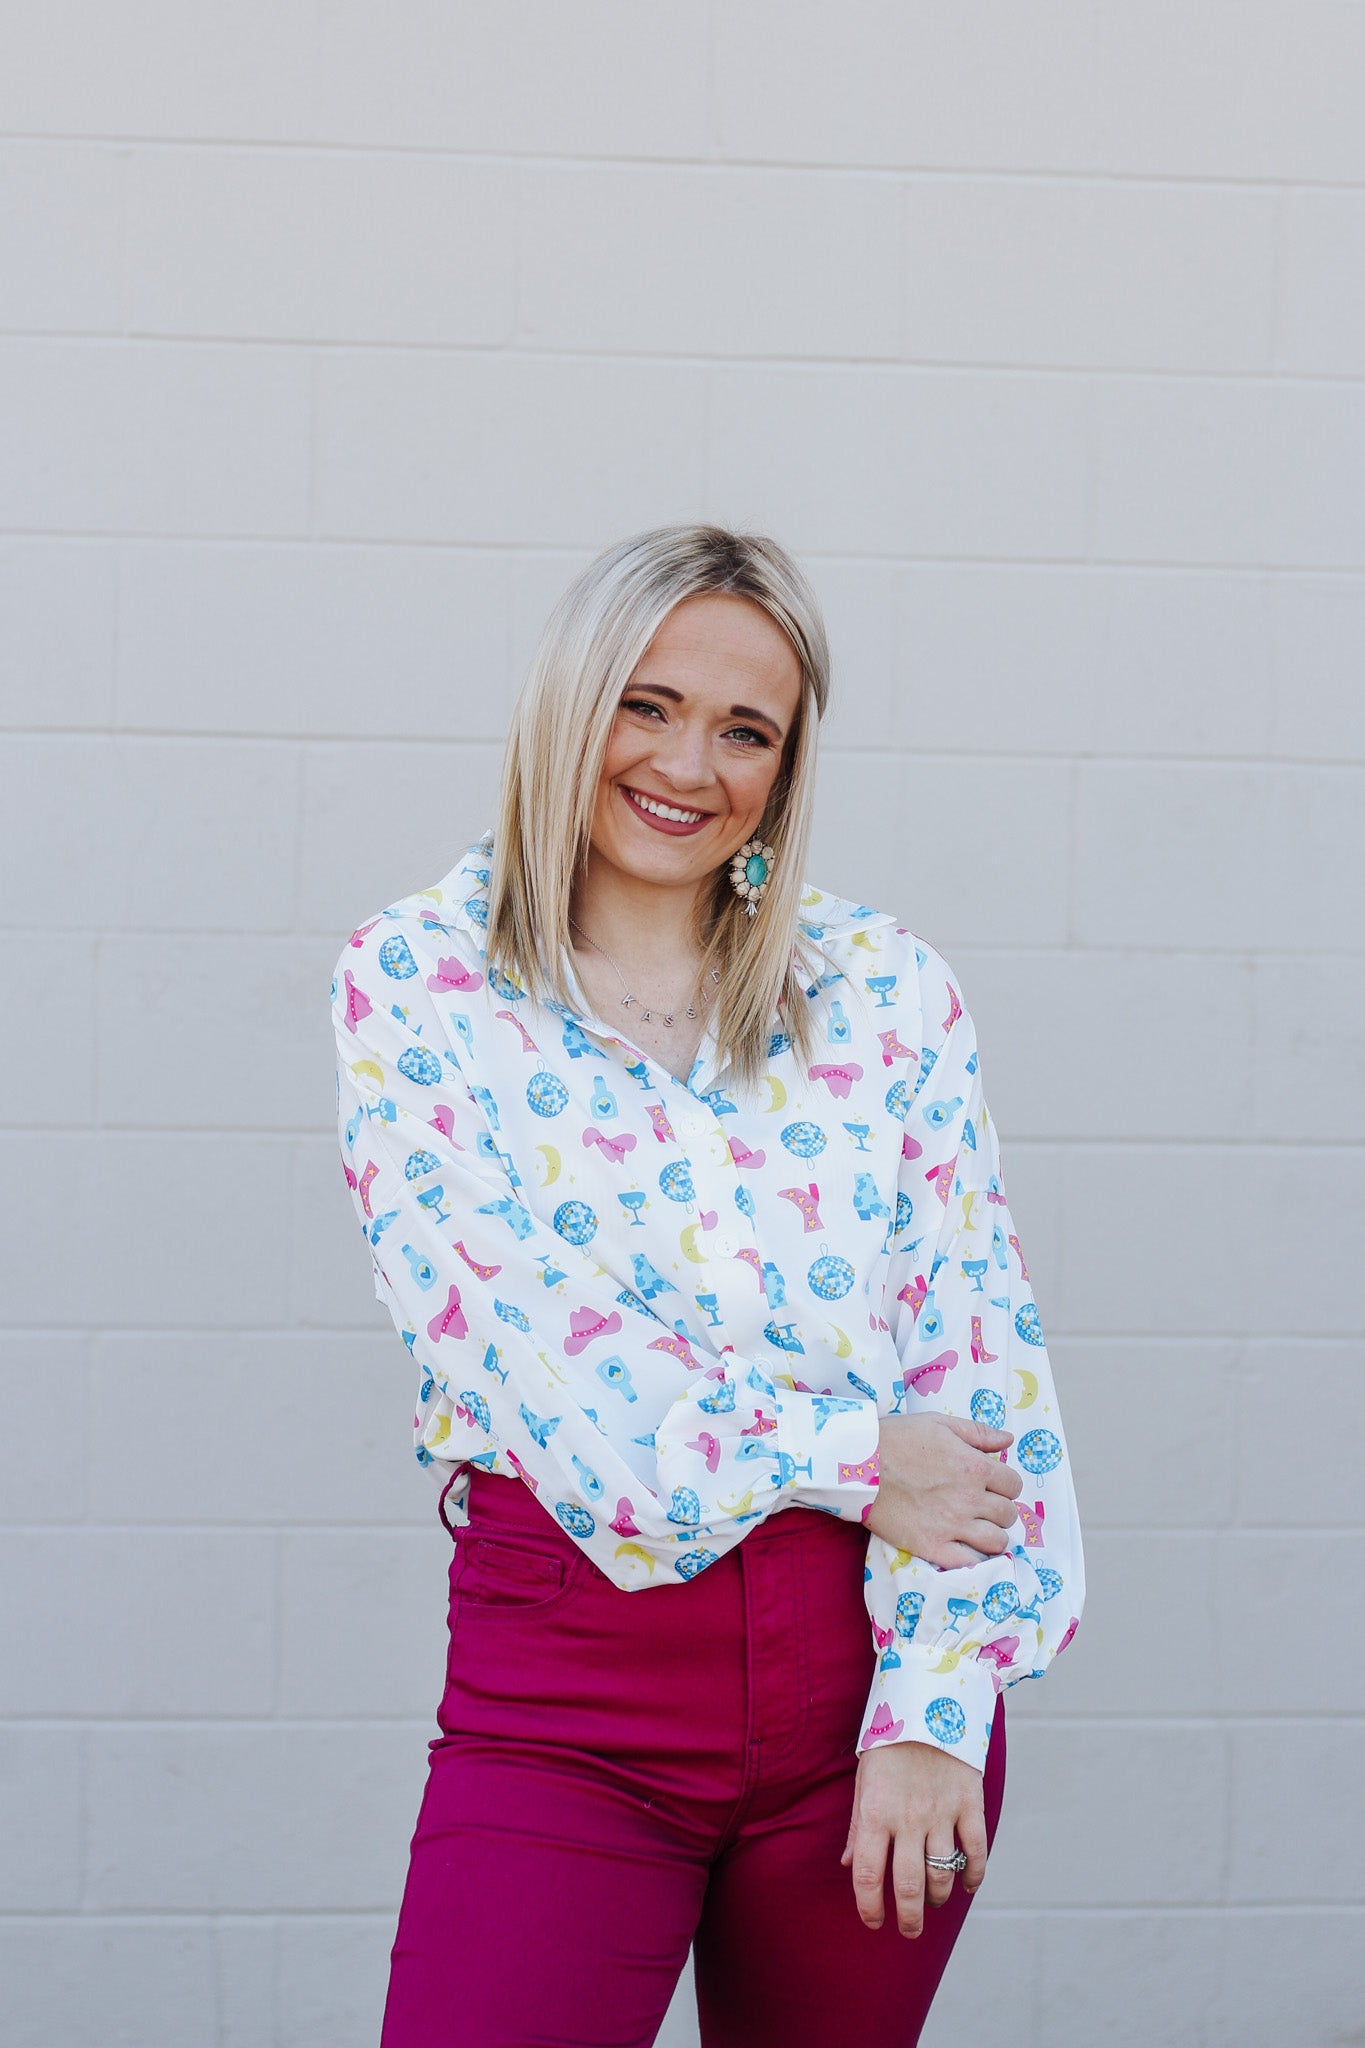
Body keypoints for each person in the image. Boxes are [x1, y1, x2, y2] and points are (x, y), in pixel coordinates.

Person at [330, 524, 1084, 2048]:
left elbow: (974, 1360)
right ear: (572, 706)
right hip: (574, 1687)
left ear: (786, 768)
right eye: (648, 702)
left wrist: (936, 1708)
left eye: (747, 729)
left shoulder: (884, 990)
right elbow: (549, 1378)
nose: (689, 762)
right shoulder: (418, 987)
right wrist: (860, 1458)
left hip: (871, 1683)